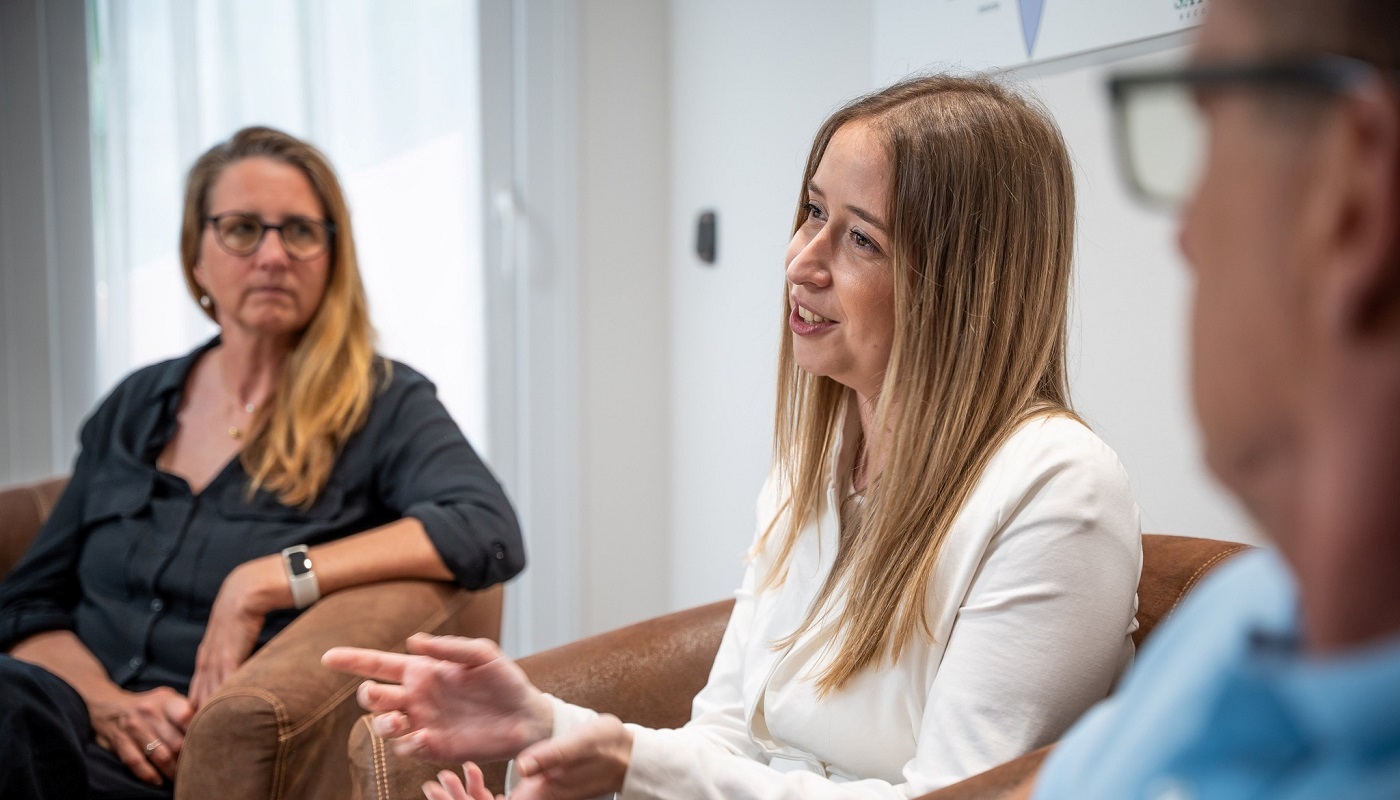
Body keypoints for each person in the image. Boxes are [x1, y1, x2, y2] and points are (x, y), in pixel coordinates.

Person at [327, 75, 1143, 800]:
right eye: (814, 213)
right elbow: (722, 740)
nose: (802, 262)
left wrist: (617, 758)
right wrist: (547, 727)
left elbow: (952, 797)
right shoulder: (814, 467)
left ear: (964, 286)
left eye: (861, 239)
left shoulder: (1060, 491)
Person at [0, 126, 525, 800]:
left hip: (185, 766)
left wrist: (273, 577)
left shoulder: (381, 403)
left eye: (301, 231)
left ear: (333, 257)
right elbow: (28, 600)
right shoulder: (135, 405)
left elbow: (485, 527)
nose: (273, 255)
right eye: (243, 229)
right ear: (196, 257)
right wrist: (105, 702)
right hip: (65, 725)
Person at [962, 1, 1400, 798]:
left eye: (1207, 127)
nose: (1186, 232)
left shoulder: (1063, 484)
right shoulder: (1244, 616)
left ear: (1353, 201)